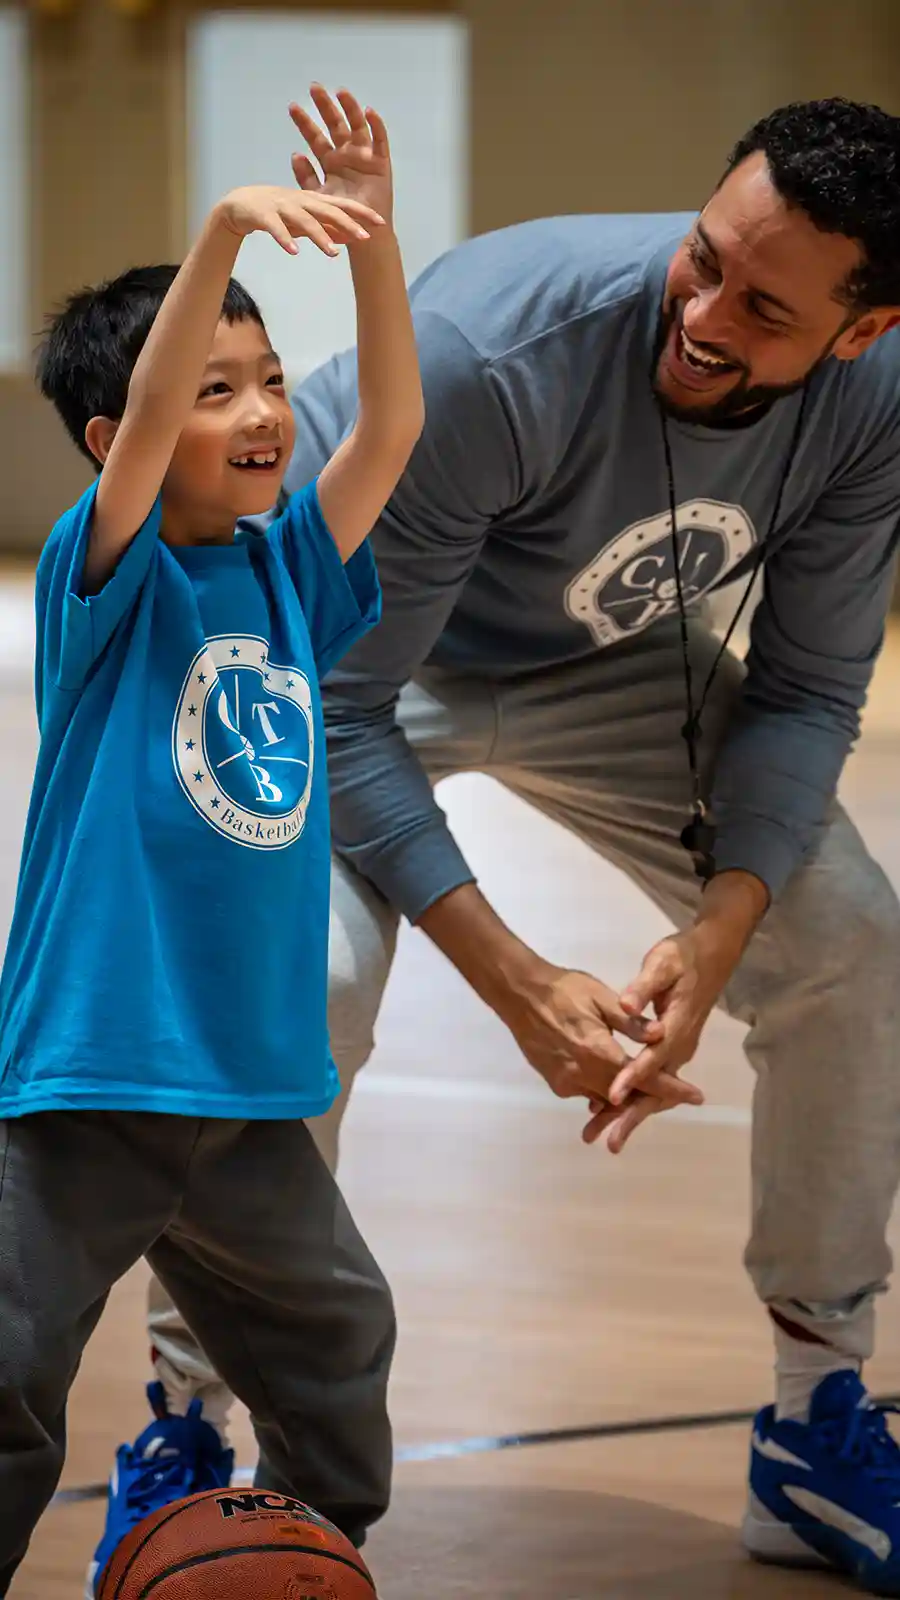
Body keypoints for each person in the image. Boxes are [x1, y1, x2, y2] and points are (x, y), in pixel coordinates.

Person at [132, 96, 900, 1590]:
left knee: (851, 943)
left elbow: (808, 690)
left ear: (860, 333)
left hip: (598, 664)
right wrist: (516, 978)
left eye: (764, 306)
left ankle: (817, 1408)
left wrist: (727, 919)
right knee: (311, 982)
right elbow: (347, 709)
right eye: (704, 258)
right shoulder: (501, 346)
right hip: (331, 649)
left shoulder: (874, 404)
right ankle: (190, 1426)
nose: (705, 312)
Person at [0, 85, 424, 1594]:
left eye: (265, 382)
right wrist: (228, 227)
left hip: (249, 1086)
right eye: (214, 389)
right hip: (95, 1067)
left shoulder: (294, 571)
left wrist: (368, 235)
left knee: (337, 1334)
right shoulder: (100, 577)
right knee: (6, 1363)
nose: (259, 414)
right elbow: (134, 448)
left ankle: (306, 1558)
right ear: (126, 436)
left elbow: (392, 421)